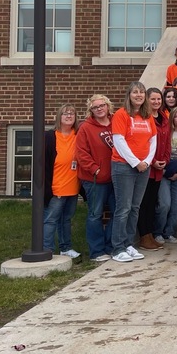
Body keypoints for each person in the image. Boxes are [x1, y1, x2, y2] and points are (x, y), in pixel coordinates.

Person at [110, 81, 156, 262]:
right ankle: (117, 248)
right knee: (123, 208)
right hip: (123, 166)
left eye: (142, 92)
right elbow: (119, 141)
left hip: (144, 167)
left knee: (135, 207)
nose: (139, 95)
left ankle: (129, 244)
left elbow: (153, 140)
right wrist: (136, 162)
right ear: (129, 95)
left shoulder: (147, 116)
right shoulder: (121, 115)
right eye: (135, 92)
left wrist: (146, 161)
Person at [77, 94, 116, 263]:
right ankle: (96, 251)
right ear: (90, 110)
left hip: (116, 178)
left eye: (102, 105)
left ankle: (110, 246)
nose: (99, 109)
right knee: (95, 215)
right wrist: (95, 170)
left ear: (108, 106)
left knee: (117, 213)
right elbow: (81, 153)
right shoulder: (86, 128)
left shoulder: (117, 122)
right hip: (95, 180)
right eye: (95, 107)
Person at [43, 104, 81, 259]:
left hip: (73, 186)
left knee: (66, 219)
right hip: (56, 187)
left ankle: (66, 248)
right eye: (65, 114)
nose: (69, 116)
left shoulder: (78, 135)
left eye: (72, 113)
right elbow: (43, 163)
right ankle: (47, 249)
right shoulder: (50, 136)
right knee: (50, 220)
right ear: (59, 117)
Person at [137, 88, 169, 253]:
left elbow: (167, 141)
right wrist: (153, 161)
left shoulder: (164, 117)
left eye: (159, 99)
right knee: (144, 203)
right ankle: (144, 236)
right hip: (147, 168)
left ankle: (149, 235)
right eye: (153, 99)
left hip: (159, 170)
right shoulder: (144, 118)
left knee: (151, 204)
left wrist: (166, 160)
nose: (156, 102)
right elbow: (143, 143)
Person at [155, 106, 177, 245]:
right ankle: (158, 232)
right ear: (172, 118)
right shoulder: (166, 133)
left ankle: (169, 233)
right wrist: (163, 171)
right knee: (164, 204)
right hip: (163, 172)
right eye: (176, 116)